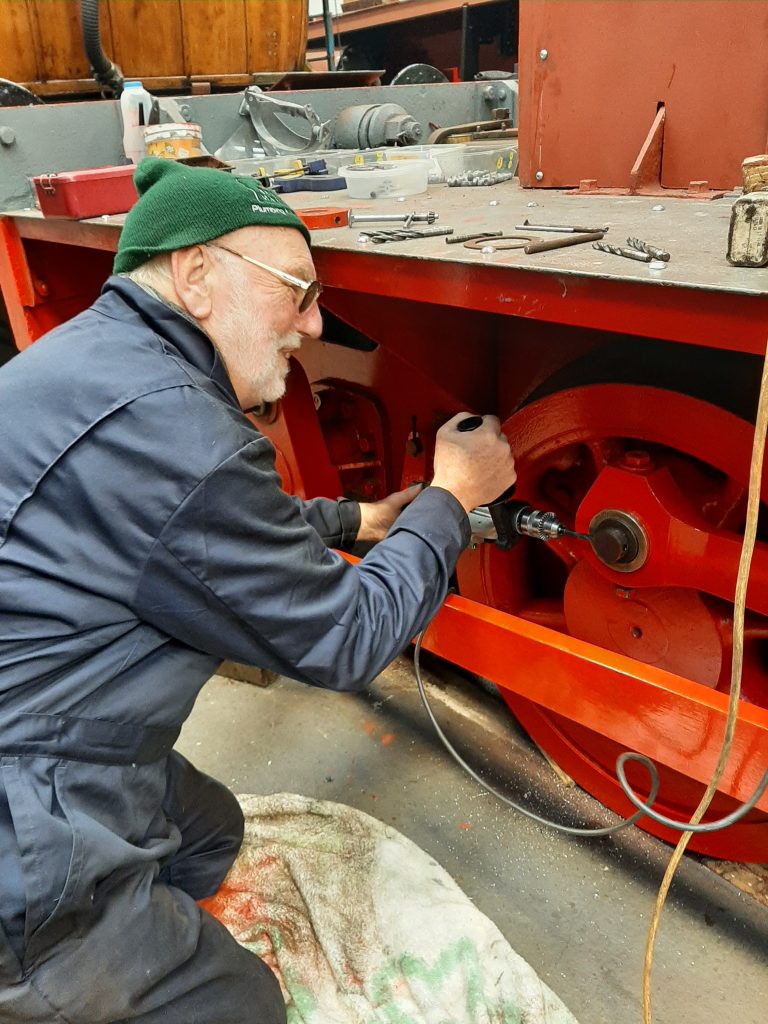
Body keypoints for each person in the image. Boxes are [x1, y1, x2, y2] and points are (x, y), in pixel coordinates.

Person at [0, 158, 515, 1023]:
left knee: (211, 836)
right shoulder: (178, 435)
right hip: (25, 800)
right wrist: (452, 499)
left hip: (41, 708)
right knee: (241, 1005)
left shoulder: (95, 365)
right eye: (297, 291)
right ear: (198, 275)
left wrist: (360, 519)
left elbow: (198, 533)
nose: (312, 325)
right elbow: (345, 640)